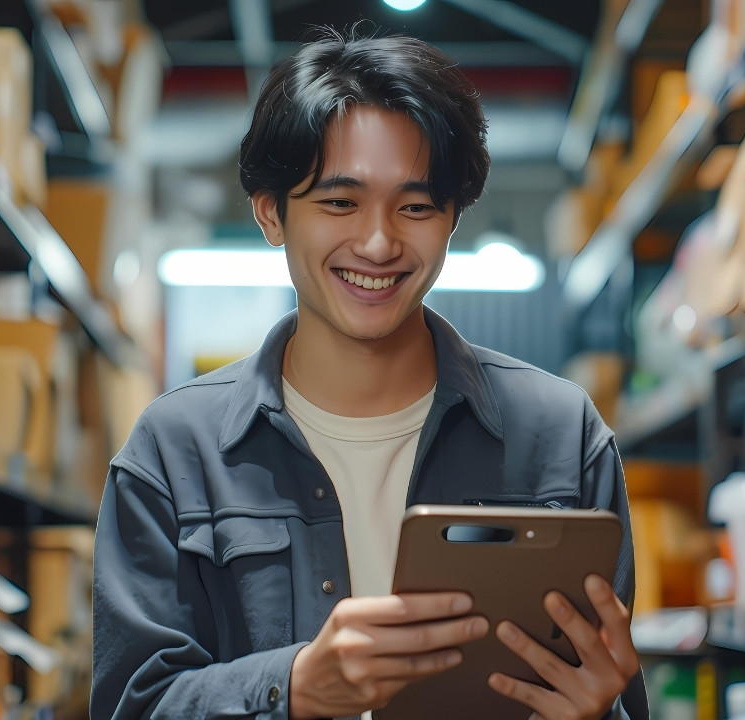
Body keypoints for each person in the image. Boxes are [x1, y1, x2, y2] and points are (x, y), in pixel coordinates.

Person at [93, 27, 647, 720]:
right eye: (339, 203)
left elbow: (613, 689)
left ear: (452, 219)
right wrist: (292, 688)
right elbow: (130, 705)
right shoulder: (174, 452)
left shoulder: (563, 436)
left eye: (415, 207)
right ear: (271, 214)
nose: (380, 242)